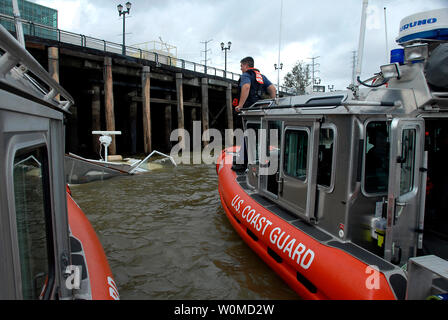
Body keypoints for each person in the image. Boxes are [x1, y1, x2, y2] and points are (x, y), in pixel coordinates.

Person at [232, 57, 276, 172]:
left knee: (246, 135)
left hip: (248, 111)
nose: (240, 68)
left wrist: (240, 105)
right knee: (255, 135)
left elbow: (246, 87)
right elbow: (272, 89)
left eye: (241, 65)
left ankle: (243, 163)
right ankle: (257, 159)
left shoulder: (246, 76)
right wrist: (273, 103)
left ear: (246, 65)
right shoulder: (261, 76)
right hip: (259, 110)